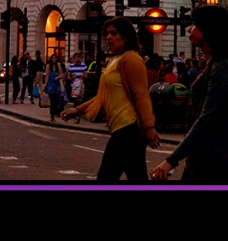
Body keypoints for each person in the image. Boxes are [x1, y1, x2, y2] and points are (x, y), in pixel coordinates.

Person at [150, 6, 228, 183]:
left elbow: (207, 116)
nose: (190, 29)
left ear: (210, 29)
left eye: (195, 24)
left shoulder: (222, 67)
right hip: (207, 159)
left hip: (219, 164)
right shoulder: (214, 64)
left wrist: (171, 160)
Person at [61, 17, 160, 181]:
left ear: (126, 37)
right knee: (137, 177)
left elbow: (141, 95)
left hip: (129, 127)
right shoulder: (115, 60)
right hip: (121, 128)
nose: (108, 37)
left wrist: (149, 126)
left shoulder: (132, 59)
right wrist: (77, 110)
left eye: (113, 33)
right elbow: (103, 96)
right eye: (107, 34)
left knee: (106, 177)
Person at [45, 53, 66, 122]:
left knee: (57, 100)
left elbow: (62, 74)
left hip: (57, 84)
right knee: (52, 101)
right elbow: (47, 76)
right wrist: (45, 86)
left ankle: (54, 112)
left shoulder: (58, 65)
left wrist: (58, 77)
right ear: (51, 59)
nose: (54, 60)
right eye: (53, 58)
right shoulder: (48, 66)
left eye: (55, 58)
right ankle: (52, 116)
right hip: (51, 84)